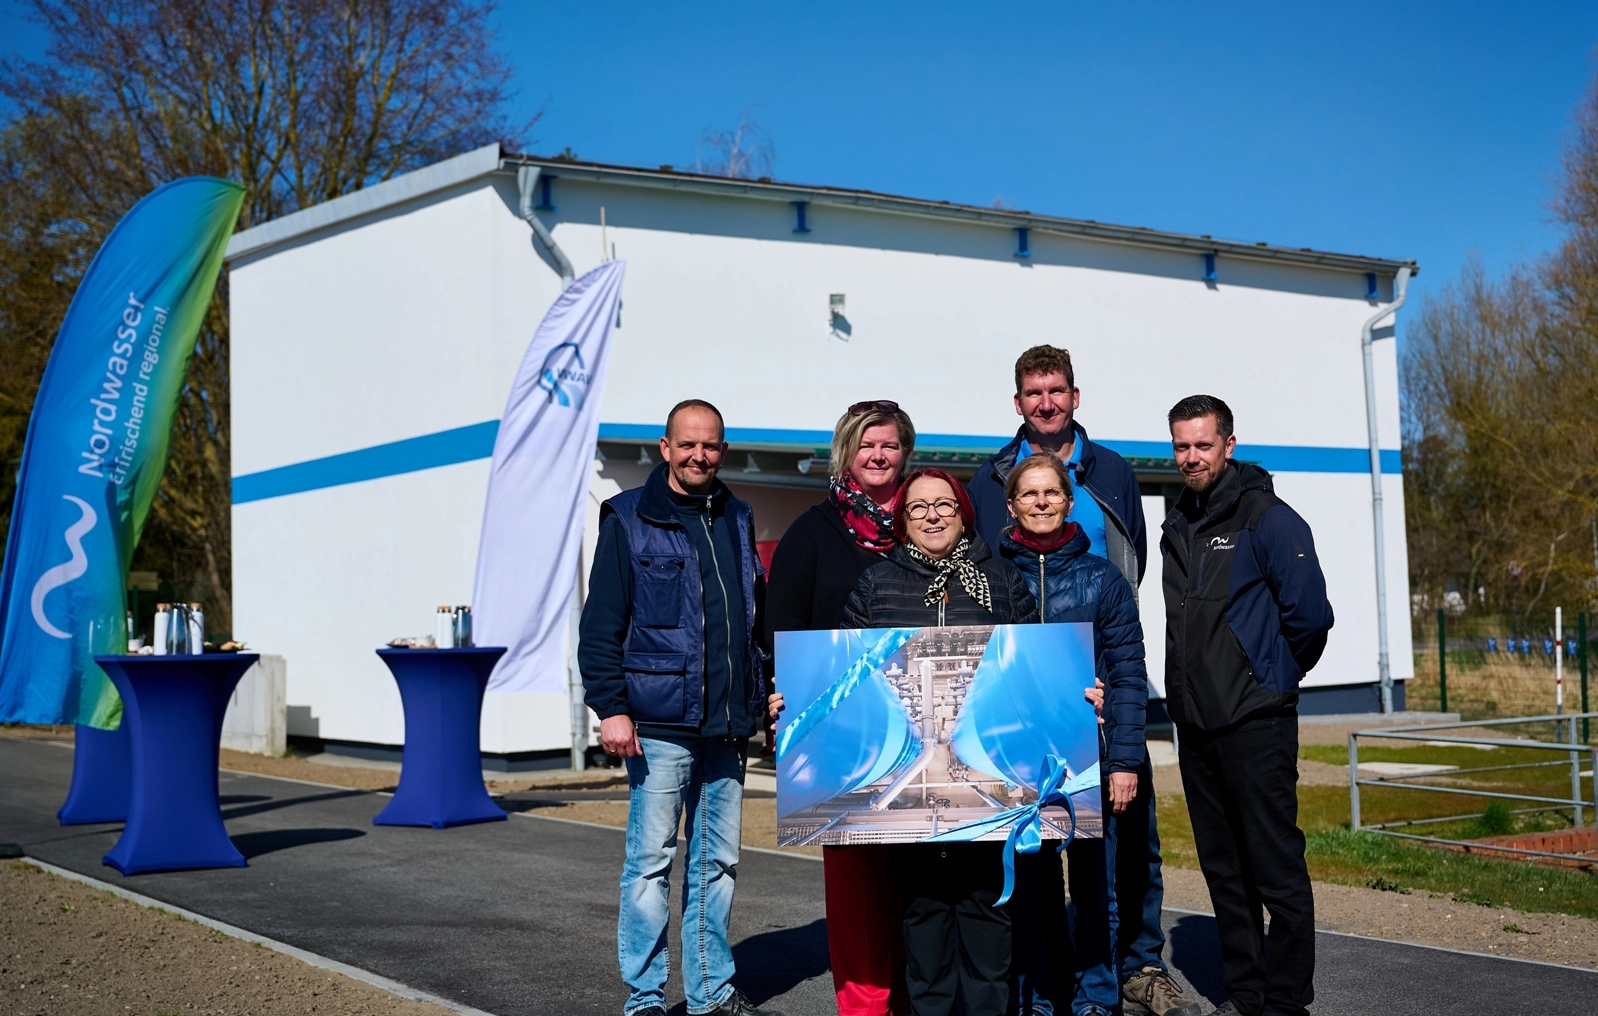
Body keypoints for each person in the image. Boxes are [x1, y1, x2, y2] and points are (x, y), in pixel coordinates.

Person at [968, 345, 1195, 1016]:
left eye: (1057, 390)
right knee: (1033, 871)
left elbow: (1130, 578)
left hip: (1099, 713)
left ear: (1074, 396)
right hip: (1022, 732)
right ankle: (1043, 990)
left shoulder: (1113, 474)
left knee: (1121, 860)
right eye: (1033, 392)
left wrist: (1106, 693)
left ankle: (1131, 971)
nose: (1046, 402)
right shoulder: (987, 481)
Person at [578, 399, 777, 1016]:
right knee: (649, 864)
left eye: (710, 446)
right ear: (665, 448)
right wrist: (610, 706)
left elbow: (754, 622)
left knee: (717, 863)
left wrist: (765, 691)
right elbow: (602, 623)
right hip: (659, 725)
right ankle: (643, 998)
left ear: (723, 450)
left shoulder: (738, 517)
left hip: (727, 724)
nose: (699, 456)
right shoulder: (628, 518)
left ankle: (710, 993)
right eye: (687, 445)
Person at [1160, 395, 1333, 1016]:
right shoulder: (1177, 522)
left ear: (1228, 445)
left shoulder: (1270, 519)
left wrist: (1270, 677)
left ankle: (1285, 1002)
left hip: (1256, 722)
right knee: (1224, 872)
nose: (1191, 457)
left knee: (1275, 870)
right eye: (1181, 445)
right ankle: (1248, 994)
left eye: (1203, 444)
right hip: (1196, 725)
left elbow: (1311, 616)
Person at [842, 469, 1037, 1016]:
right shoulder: (876, 585)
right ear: (903, 520)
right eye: (919, 507)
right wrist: (802, 703)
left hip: (989, 781)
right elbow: (849, 681)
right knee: (923, 912)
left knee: (988, 911)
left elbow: (1031, 671)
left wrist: (1076, 695)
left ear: (964, 514)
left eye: (945, 506)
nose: (932, 515)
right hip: (910, 787)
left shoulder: (1003, 582)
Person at [997, 454, 1183, 1016]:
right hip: (1019, 763)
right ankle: (1042, 995)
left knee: (1095, 888)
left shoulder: (1104, 580)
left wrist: (1125, 761)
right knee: (1032, 888)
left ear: (1069, 500)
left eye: (1051, 492)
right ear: (1011, 506)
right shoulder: (992, 580)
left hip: (1092, 759)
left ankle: (1097, 999)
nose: (1041, 502)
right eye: (1028, 494)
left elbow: (1129, 673)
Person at [765, 400, 916, 1016]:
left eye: (889, 445)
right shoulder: (812, 532)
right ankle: (864, 1004)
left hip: (923, 728)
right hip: (842, 737)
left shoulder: (931, 519)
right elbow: (781, 628)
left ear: (906, 452)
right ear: (846, 453)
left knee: (919, 882)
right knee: (855, 883)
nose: (878, 456)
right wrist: (783, 695)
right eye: (866, 445)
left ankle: (917, 997)